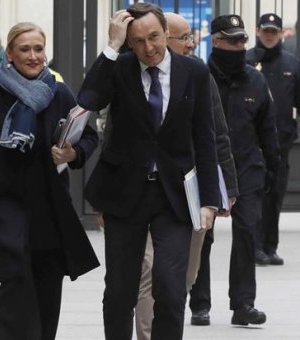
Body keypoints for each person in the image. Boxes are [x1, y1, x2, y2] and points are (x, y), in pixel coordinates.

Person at [78, 4, 219, 339]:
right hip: (124, 193)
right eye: (138, 41)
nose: (149, 47)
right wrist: (111, 47)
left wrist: (210, 200)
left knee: (171, 290)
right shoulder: (119, 67)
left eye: (154, 37)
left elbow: (205, 136)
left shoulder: (193, 72)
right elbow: (88, 98)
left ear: (166, 33)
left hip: (174, 195)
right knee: (119, 292)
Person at [0, 22, 100, 340]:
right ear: (9, 54)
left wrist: (72, 154)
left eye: (38, 49)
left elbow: (89, 135)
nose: (33, 56)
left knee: (48, 287)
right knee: (16, 281)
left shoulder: (59, 92)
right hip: (4, 205)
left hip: (50, 207)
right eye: (25, 49)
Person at [132, 12, 240, 337]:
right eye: (185, 37)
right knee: (149, 272)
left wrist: (227, 189)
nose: (191, 43)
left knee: (183, 276)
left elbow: (217, 134)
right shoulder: (129, 75)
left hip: (189, 190)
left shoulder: (198, 75)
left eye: (192, 37)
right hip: (144, 192)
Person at [208, 14, 280, 326]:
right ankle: (199, 304)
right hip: (208, 168)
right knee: (202, 236)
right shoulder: (199, 76)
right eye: (231, 40)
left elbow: (268, 129)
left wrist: (272, 168)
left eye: (242, 41)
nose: (238, 46)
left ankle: (243, 304)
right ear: (215, 41)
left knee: (247, 232)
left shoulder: (256, 79)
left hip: (247, 167)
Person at [247, 13, 300, 266]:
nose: (269, 35)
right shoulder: (246, 61)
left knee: (275, 196)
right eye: (265, 31)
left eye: (273, 31)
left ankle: (270, 246)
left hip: (279, 143)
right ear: (258, 31)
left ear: (280, 33)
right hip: (250, 143)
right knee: (254, 196)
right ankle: (255, 246)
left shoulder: (290, 63)